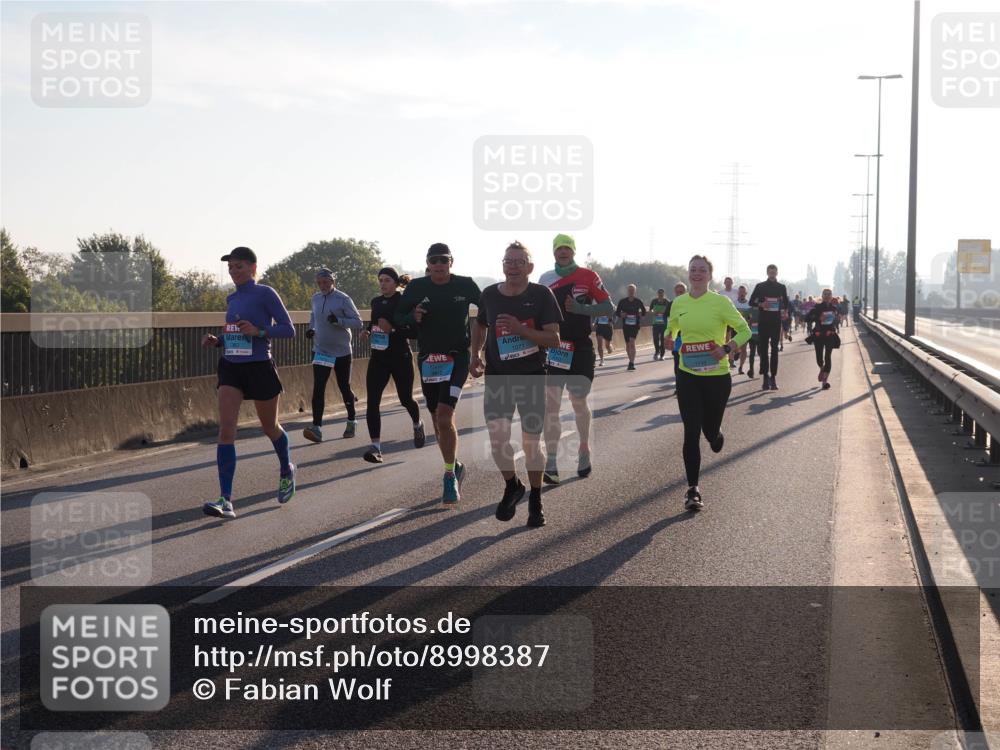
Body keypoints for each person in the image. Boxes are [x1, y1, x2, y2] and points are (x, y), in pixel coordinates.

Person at [470, 241, 562, 528]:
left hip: (532, 376)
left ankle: (536, 497)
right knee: (498, 442)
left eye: (518, 262)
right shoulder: (489, 295)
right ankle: (513, 485)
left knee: (531, 445)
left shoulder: (542, 295)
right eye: (508, 261)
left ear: (529, 268)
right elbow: (480, 324)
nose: (512, 266)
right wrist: (475, 354)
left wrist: (522, 330)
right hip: (498, 377)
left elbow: (553, 339)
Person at [200, 246, 296, 519]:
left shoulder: (265, 293)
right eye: (230, 267)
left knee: (270, 427)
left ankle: (286, 468)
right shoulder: (232, 299)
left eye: (238, 266)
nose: (233, 271)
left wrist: (259, 330)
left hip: (260, 368)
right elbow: (235, 337)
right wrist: (218, 341)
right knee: (226, 429)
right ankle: (226, 499)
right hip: (231, 368)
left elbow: (288, 329)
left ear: (253, 268)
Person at [395, 243, 481, 505]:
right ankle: (454, 464)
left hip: (457, 358)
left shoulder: (465, 285)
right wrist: (413, 315)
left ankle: (448, 477)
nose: (439, 264)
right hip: (429, 360)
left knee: (445, 415)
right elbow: (398, 317)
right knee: (435, 418)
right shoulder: (417, 288)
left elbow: (487, 312)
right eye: (435, 260)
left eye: (444, 260)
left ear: (451, 262)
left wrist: (480, 352)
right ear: (428, 264)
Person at [667, 255, 751, 511]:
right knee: (690, 431)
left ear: (709, 275)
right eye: (693, 269)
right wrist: (669, 338)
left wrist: (727, 348)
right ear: (688, 273)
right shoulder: (678, 302)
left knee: (709, 430)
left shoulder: (720, 302)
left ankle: (715, 433)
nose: (696, 273)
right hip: (687, 374)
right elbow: (671, 328)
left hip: (716, 377)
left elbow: (745, 330)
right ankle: (693, 490)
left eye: (702, 270)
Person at [539, 233, 614, 484]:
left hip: (581, 348)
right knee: (551, 406)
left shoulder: (588, 276)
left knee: (578, 402)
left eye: (567, 248)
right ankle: (551, 460)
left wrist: (583, 309)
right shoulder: (545, 279)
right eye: (559, 249)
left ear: (573, 251)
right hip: (556, 348)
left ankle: (584, 449)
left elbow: (608, 307)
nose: (563, 252)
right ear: (553, 252)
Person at [359, 267, 425, 463]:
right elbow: (375, 324)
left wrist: (394, 329)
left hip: (400, 357)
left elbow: (414, 331)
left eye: (387, 280)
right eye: (380, 280)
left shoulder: (404, 302)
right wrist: (368, 332)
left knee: (406, 399)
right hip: (379, 358)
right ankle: (376, 447)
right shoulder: (376, 302)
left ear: (396, 283)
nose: (382, 283)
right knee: (372, 402)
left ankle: (417, 423)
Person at [303, 268, 363, 443]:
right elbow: (313, 316)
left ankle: (352, 420)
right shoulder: (315, 298)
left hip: (342, 351)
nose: (322, 285)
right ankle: (317, 428)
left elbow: (358, 322)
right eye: (320, 282)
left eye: (326, 282)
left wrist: (339, 321)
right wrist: (311, 329)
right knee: (319, 388)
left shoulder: (343, 299)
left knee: (344, 386)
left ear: (332, 282)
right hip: (321, 350)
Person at [748, 264, 789, 391]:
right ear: (767, 273)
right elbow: (751, 301)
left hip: (775, 322)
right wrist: (761, 303)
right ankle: (765, 377)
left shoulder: (781, 287)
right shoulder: (760, 286)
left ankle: (773, 378)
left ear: (777, 273)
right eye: (770, 272)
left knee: (775, 350)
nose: (772, 274)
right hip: (763, 321)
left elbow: (786, 303)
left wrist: (785, 312)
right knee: (764, 350)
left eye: (774, 272)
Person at [806, 289, 841, 390]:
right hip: (819, 334)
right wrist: (818, 318)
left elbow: (836, 321)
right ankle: (822, 369)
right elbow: (807, 318)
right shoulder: (817, 307)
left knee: (828, 357)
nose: (827, 296)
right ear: (822, 295)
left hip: (829, 334)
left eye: (829, 294)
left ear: (831, 296)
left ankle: (825, 381)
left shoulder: (834, 308)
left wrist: (836, 319)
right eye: (825, 294)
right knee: (819, 358)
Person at [615, 284, 646, 370]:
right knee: (628, 344)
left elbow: (643, 312)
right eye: (629, 290)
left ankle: (632, 363)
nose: (631, 292)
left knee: (632, 342)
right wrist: (621, 314)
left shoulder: (638, 301)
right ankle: (630, 360)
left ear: (634, 291)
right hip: (626, 325)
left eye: (632, 290)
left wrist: (640, 314)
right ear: (627, 291)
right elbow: (617, 312)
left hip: (635, 325)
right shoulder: (622, 301)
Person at [732, 285, 751, 374]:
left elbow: (752, 317)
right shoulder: (733, 303)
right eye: (740, 292)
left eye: (743, 292)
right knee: (734, 347)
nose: (742, 294)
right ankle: (737, 352)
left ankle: (741, 367)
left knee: (744, 349)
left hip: (744, 330)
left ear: (746, 293)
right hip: (734, 329)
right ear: (738, 293)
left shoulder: (749, 304)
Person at [670, 282, 687, 379]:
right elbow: (668, 322)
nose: (680, 294)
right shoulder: (671, 304)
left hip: (689, 338)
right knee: (677, 361)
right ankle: (678, 384)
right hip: (677, 339)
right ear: (675, 293)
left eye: (682, 292)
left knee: (688, 362)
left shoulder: (691, 303)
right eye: (678, 292)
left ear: (685, 292)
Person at [649, 288, 670, 361]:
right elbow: (650, 310)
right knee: (655, 338)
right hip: (656, 323)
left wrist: (664, 313)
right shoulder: (654, 301)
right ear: (657, 294)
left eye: (662, 293)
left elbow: (670, 312)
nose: (660, 294)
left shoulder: (667, 302)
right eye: (659, 293)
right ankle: (657, 351)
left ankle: (662, 354)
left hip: (664, 324)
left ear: (664, 294)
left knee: (662, 339)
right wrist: (653, 312)